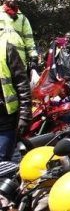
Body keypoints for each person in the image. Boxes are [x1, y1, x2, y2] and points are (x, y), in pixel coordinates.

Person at [0, 30, 30, 160]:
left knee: (3, 162)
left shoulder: (6, 48)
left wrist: (24, 115)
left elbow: (22, 84)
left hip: (5, 120)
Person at [0, 0, 37, 69]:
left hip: (19, 56)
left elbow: (29, 38)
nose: (12, 0)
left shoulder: (22, 18)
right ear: (4, 0)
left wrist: (33, 55)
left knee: (20, 80)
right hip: (1, 55)